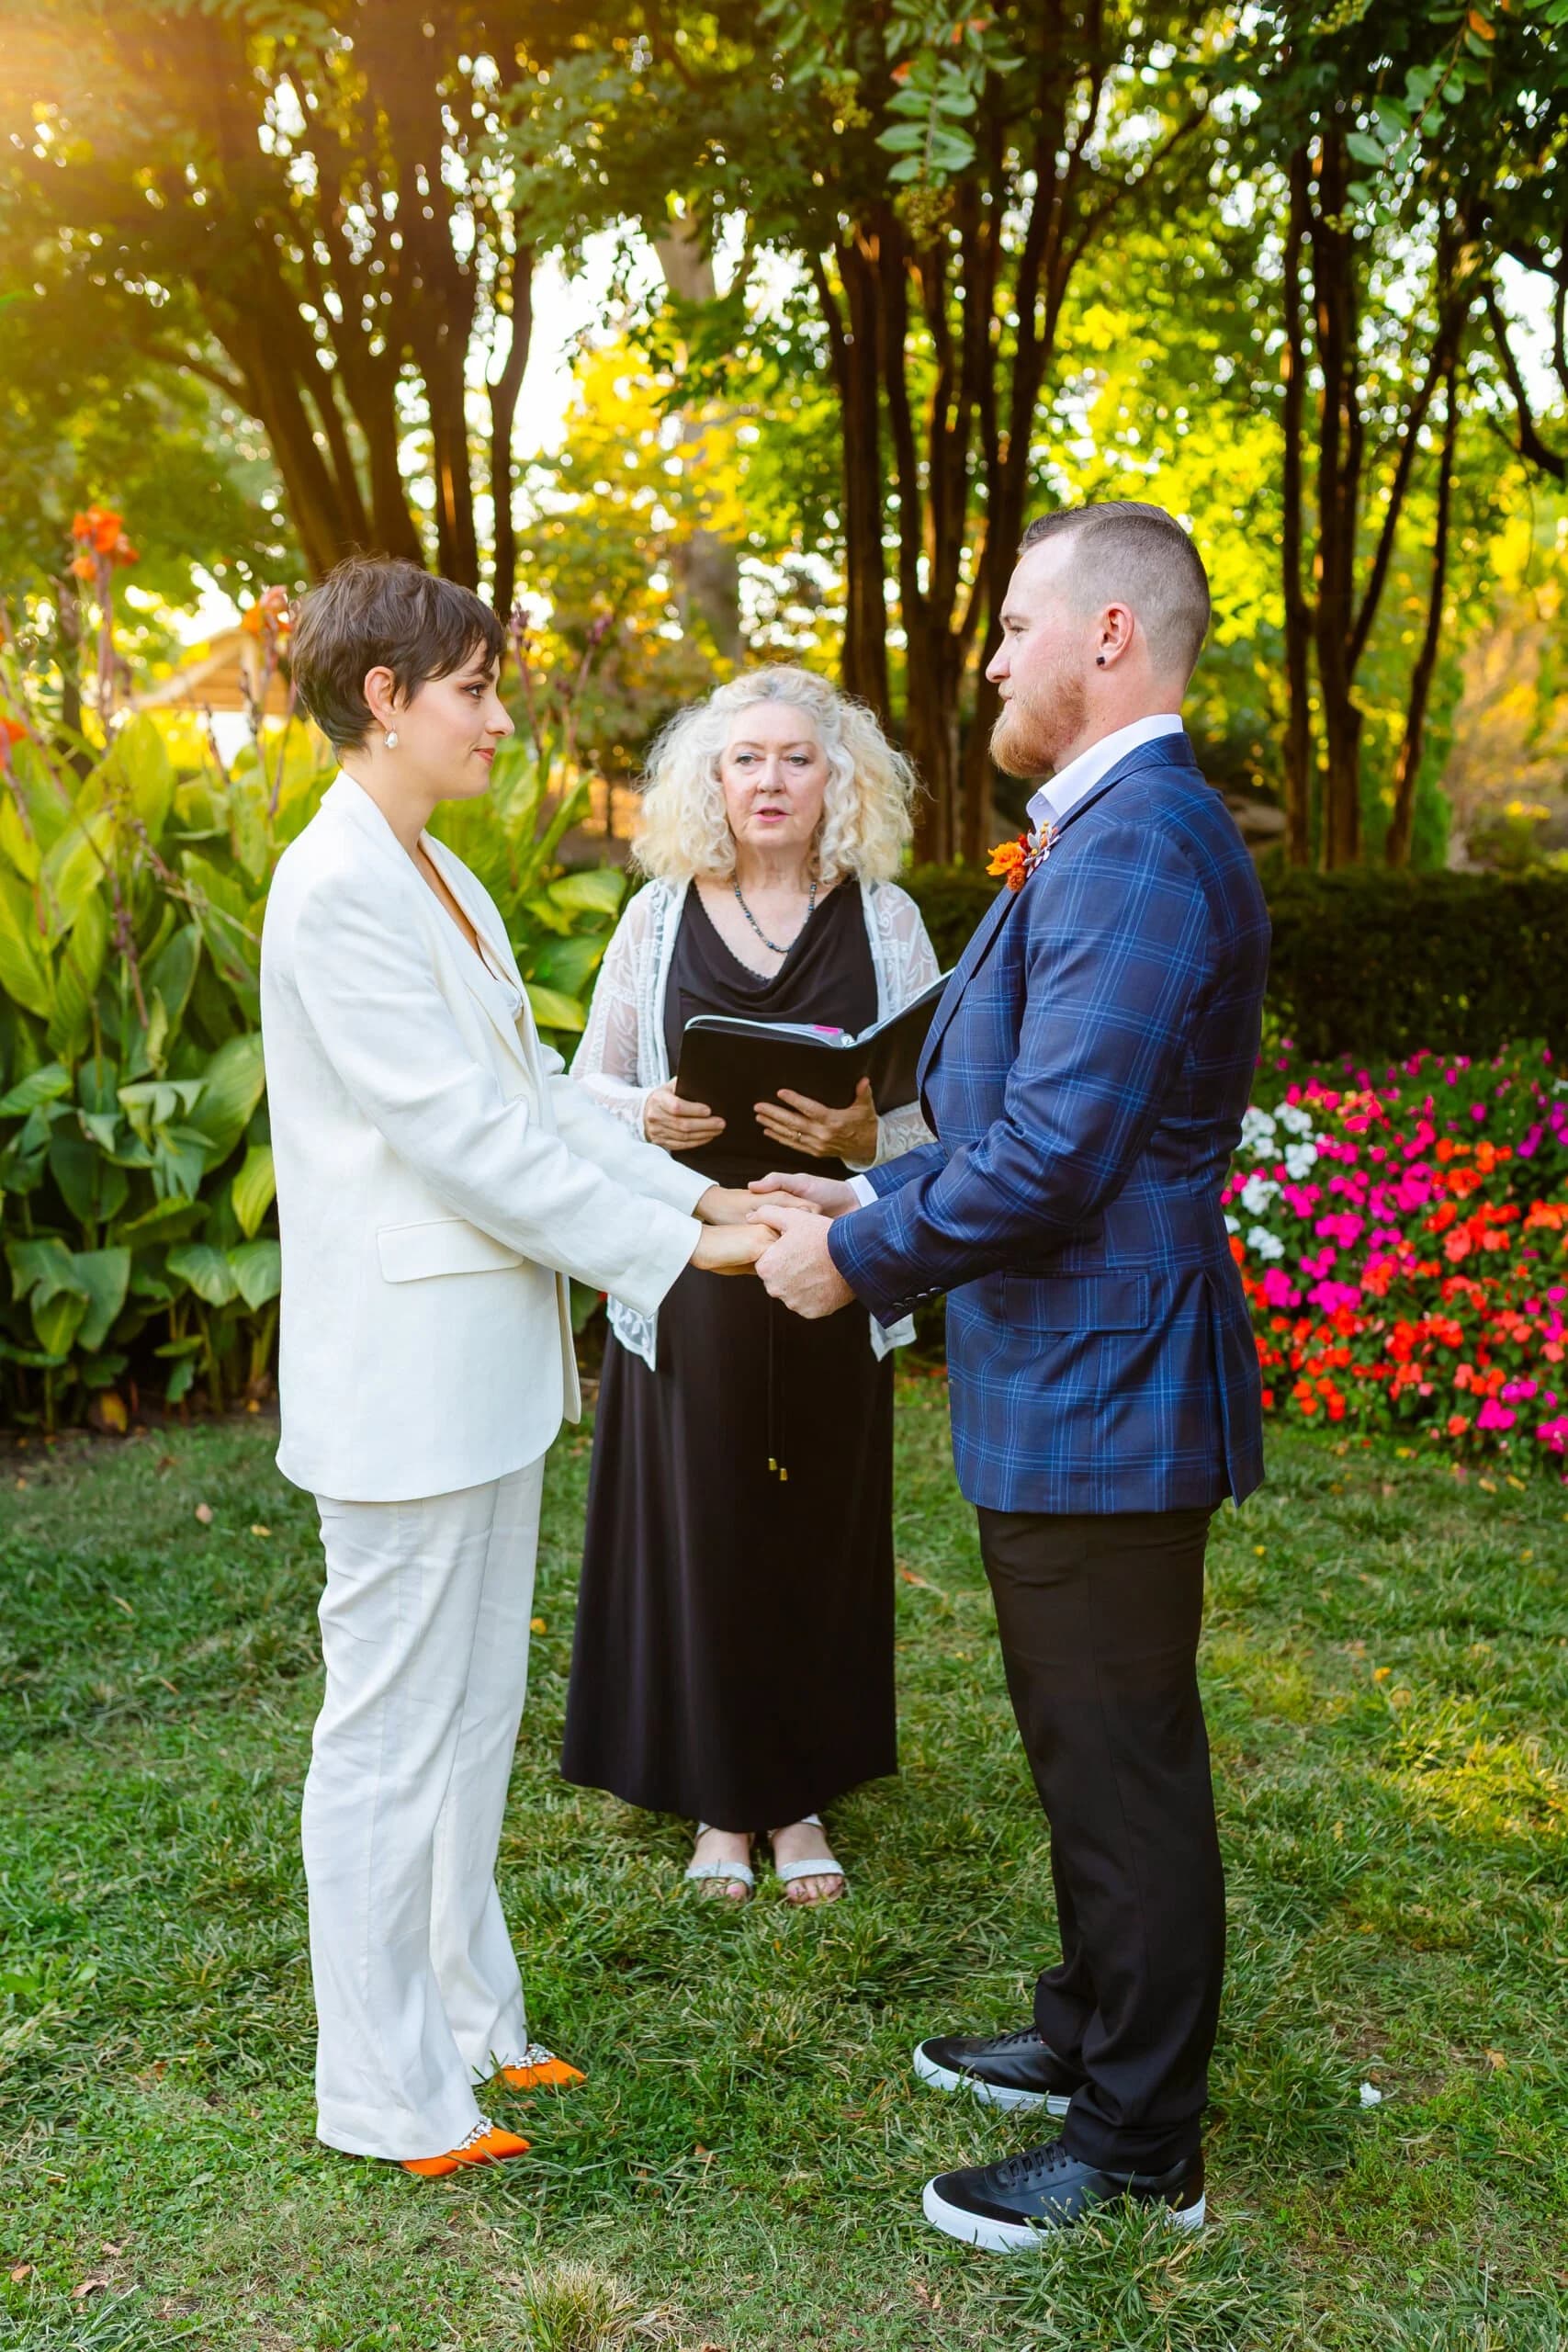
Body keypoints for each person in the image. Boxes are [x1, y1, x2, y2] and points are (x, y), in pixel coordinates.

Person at [750, 503, 1270, 2241]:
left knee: (1122, 1762)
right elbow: (1027, 1121)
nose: (989, 660)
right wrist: (867, 1192)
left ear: (1110, 638)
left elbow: (1059, 1154)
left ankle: (1140, 2149)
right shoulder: (1104, 830)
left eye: (1017, 623)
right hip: (1071, 1375)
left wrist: (856, 1259)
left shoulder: (1141, 843)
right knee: (1081, 1741)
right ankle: (1091, 2028)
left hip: (1111, 1389)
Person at [260, 558, 765, 2181]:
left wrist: (702, 1196)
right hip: (399, 1386)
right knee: (389, 1732)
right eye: (473, 690)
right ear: (384, 699)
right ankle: (379, 2088)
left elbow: (538, 1098)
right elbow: (464, 1144)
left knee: (474, 1711)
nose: (498, 720)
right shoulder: (334, 888)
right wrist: (682, 1252)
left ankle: (472, 2016)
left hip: (483, 1375)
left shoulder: (448, 879)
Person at [562, 667, 941, 1904]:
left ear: (839, 781)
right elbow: (583, 1092)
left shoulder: (885, 920)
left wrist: (864, 1140)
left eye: (796, 758)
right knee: (709, 1528)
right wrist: (651, 1113)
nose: (770, 780)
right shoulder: (657, 918)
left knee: (814, 1528)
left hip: (832, 1260)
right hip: (690, 1266)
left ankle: (801, 1798)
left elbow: (942, 1113)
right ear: (710, 781)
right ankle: (723, 1806)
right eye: (746, 759)